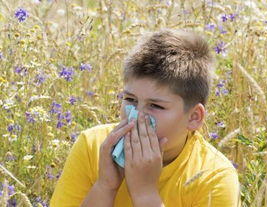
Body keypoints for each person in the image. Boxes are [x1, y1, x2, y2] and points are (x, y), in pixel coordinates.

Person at [50, 29, 240, 207]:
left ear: (194, 117)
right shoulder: (93, 146)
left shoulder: (213, 177)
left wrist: (145, 194)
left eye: (156, 106)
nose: (136, 116)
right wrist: (105, 185)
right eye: (130, 100)